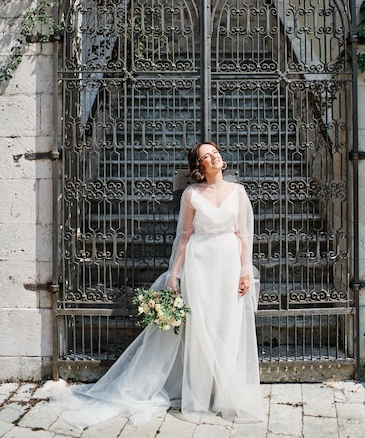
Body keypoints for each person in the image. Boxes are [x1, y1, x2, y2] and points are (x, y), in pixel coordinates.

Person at [50, 142, 264, 428]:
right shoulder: (191, 194)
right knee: (200, 331)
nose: (214, 156)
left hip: (228, 265)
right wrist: (174, 274)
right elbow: (185, 236)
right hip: (199, 267)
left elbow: (243, 235)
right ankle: (198, 399)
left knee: (227, 327)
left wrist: (244, 271)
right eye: (206, 156)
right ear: (199, 166)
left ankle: (225, 397)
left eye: (215, 152)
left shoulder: (238, 192)